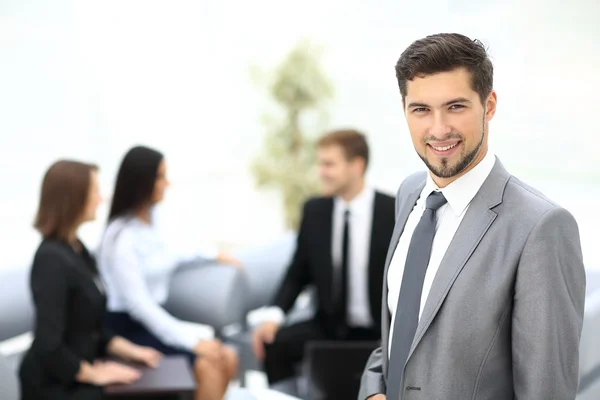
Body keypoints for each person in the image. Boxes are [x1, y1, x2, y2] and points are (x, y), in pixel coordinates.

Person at [359, 33, 586, 400]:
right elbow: (401, 334)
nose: (438, 129)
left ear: (489, 104)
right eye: (421, 109)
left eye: (456, 106)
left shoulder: (541, 228)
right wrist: (374, 390)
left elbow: (546, 392)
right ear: (404, 110)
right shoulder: (408, 195)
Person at [251, 129, 396, 385]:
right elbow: (298, 272)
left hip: (381, 330)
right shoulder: (315, 210)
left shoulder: (393, 210)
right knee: (275, 344)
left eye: (329, 164)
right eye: (320, 163)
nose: (321, 171)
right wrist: (274, 316)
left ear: (357, 165)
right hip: (327, 326)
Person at [97, 145, 239, 400]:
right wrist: (191, 343)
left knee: (228, 356)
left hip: (156, 320)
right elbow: (140, 306)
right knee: (208, 364)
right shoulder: (120, 238)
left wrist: (213, 254)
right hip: (130, 328)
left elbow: (174, 251)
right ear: (143, 182)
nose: (167, 183)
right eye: (161, 176)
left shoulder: (153, 221)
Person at [19, 160, 163, 400]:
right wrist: (94, 374)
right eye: (95, 191)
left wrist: (131, 351)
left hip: (80, 370)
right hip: (57, 384)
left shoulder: (78, 250)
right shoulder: (51, 259)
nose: (101, 198)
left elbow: (89, 327)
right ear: (74, 197)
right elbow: (48, 344)